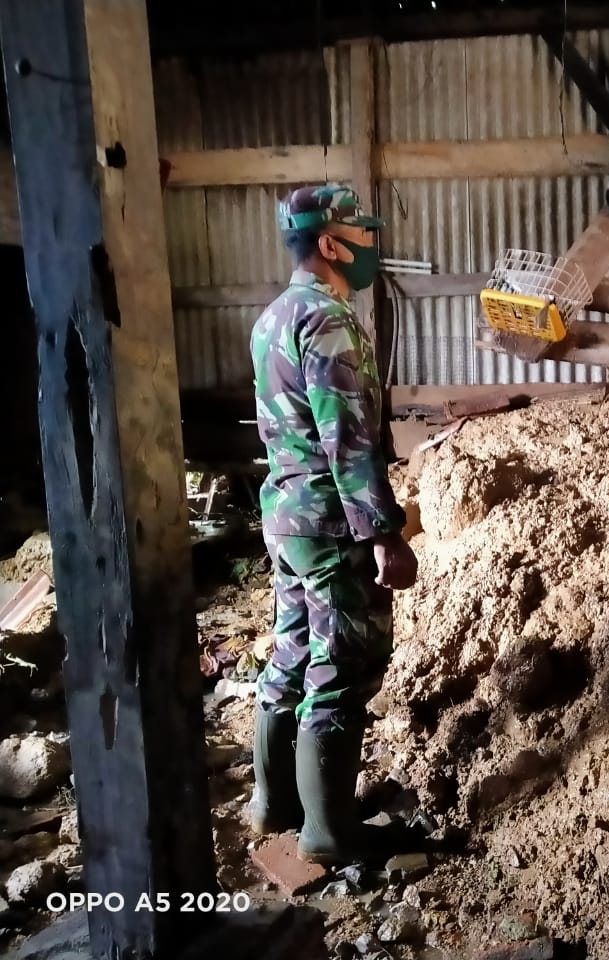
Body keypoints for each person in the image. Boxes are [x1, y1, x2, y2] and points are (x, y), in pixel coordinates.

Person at [246, 184, 418, 865]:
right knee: (343, 663)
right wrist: (384, 533)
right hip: (330, 523)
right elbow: (347, 439)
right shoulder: (329, 322)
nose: (372, 246)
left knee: (292, 650)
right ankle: (329, 833)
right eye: (362, 235)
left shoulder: (271, 319)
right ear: (329, 244)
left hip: (287, 517)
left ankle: (274, 803)